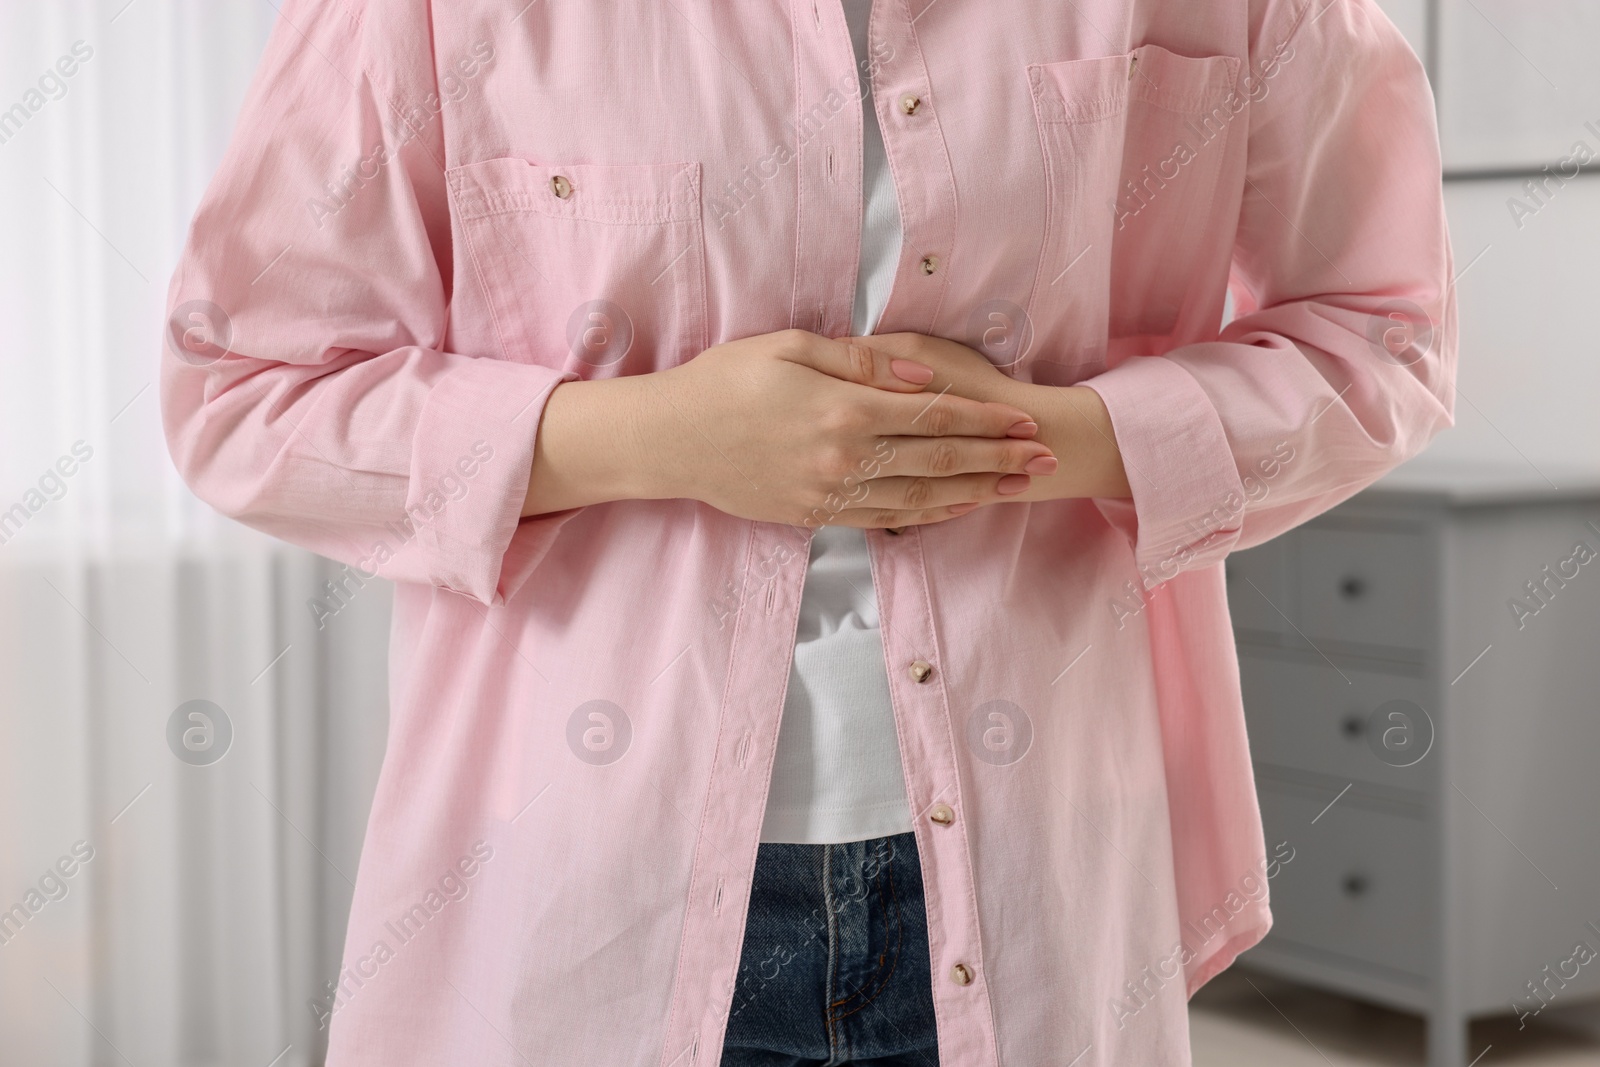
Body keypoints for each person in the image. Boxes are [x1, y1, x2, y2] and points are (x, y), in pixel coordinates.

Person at [160, 0, 1455, 1063]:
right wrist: (661, 435)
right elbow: (244, 389)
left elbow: (1384, 333)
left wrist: (1051, 439)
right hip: (589, 895)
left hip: (1040, 875)